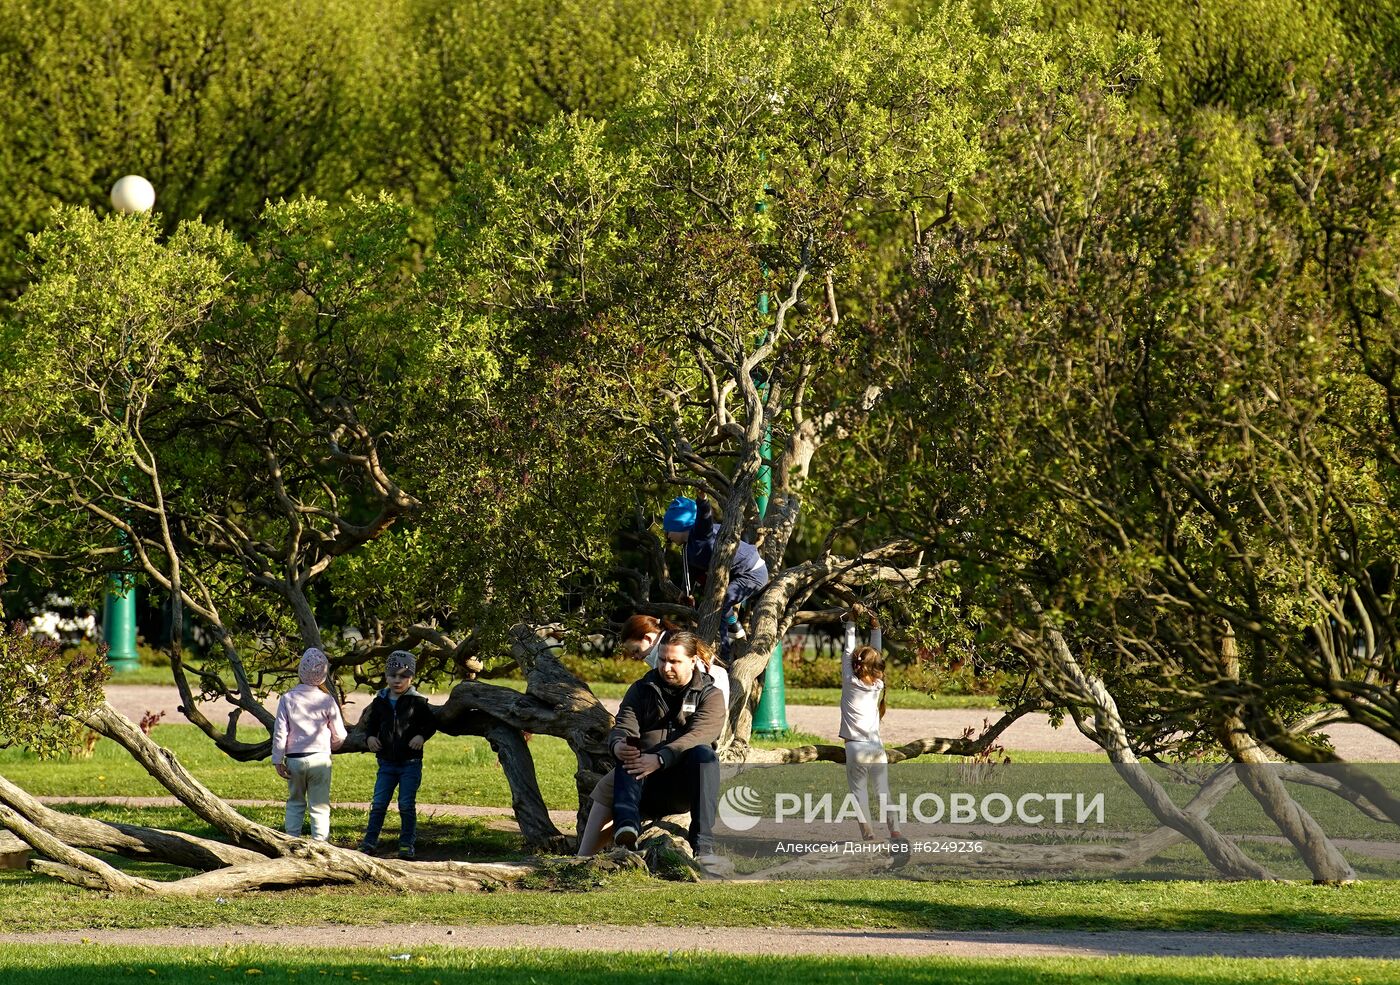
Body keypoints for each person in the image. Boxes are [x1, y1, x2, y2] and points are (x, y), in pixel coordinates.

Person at [576, 632, 724, 865]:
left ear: (693, 661)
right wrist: (619, 745)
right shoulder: (641, 689)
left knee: (705, 755)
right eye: (662, 660)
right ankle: (597, 850)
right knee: (626, 760)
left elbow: (698, 736)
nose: (666, 667)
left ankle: (704, 846)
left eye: (674, 661)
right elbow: (623, 725)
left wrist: (660, 758)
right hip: (641, 776)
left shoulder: (710, 695)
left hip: (683, 783)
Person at [662, 492, 769, 662]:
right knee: (713, 601)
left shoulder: (701, 535)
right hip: (734, 575)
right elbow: (690, 572)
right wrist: (685, 592)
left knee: (721, 602)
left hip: (752, 572)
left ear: (680, 526)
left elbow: (704, 518)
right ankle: (729, 634)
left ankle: (726, 650)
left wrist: (703, 501)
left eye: (668, 531)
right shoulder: (687, 549)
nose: (667, 536)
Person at [358, 650, 437, 860]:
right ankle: (369, 842)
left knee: (406, 804)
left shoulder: (417, 702)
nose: (397, 680)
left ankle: (406, 844)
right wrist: (370, 738)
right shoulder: (380, 701)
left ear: (411, 678)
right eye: (393, 675)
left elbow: (430, 724)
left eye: (403, 676)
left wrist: (421, 736)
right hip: (386, 763)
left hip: (410, 763)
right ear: (386, 677)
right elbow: (372, 724)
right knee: (379, 803)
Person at [271, 647, 348, 842]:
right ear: (323, 676)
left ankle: (291, 840)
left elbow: (280, 732)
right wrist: (335, 744)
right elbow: (339, 733)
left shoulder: (287, 699)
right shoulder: (327, 700)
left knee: (295, 802)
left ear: (300, 672)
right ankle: (321, 844)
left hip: (295, 760)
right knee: (319, 805)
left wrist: (277, 759)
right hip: (320, 759)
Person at [841, 611, 901, 842]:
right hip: (877, 747)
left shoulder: (850, 682)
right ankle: (895, 830)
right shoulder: (878, 684)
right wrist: (875, 625)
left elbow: (848, 651)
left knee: (859, 793)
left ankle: (868, 833)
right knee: (883, 791)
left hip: (855, 747)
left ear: (855, 666)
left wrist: (851, 622)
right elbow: (877, 655)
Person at [618, 613, 731, 710]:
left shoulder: (669, 649)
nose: (635, 657)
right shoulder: (674, 643)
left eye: (636, 651)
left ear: (648, 638)